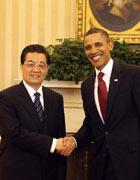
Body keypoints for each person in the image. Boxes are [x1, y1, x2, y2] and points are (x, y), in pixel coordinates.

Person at [62, 28, 140, 180]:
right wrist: (74, 140)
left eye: (98, 44)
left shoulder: (133, 75)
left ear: (109, 45)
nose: (93, 51)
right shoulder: (87, 85)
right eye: (88, 47)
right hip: (101, 165)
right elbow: (91, 124)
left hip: (132, 164)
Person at [0, 44, 67, 180]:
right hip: (16, 173)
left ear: (47, 69)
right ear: (22, 66)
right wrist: (53, 144)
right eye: (30, 64)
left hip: (49, 173)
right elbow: (15, 133)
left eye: (41, 65)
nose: (36, 69)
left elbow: (60, 136)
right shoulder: (6, 97)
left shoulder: (56, 99)